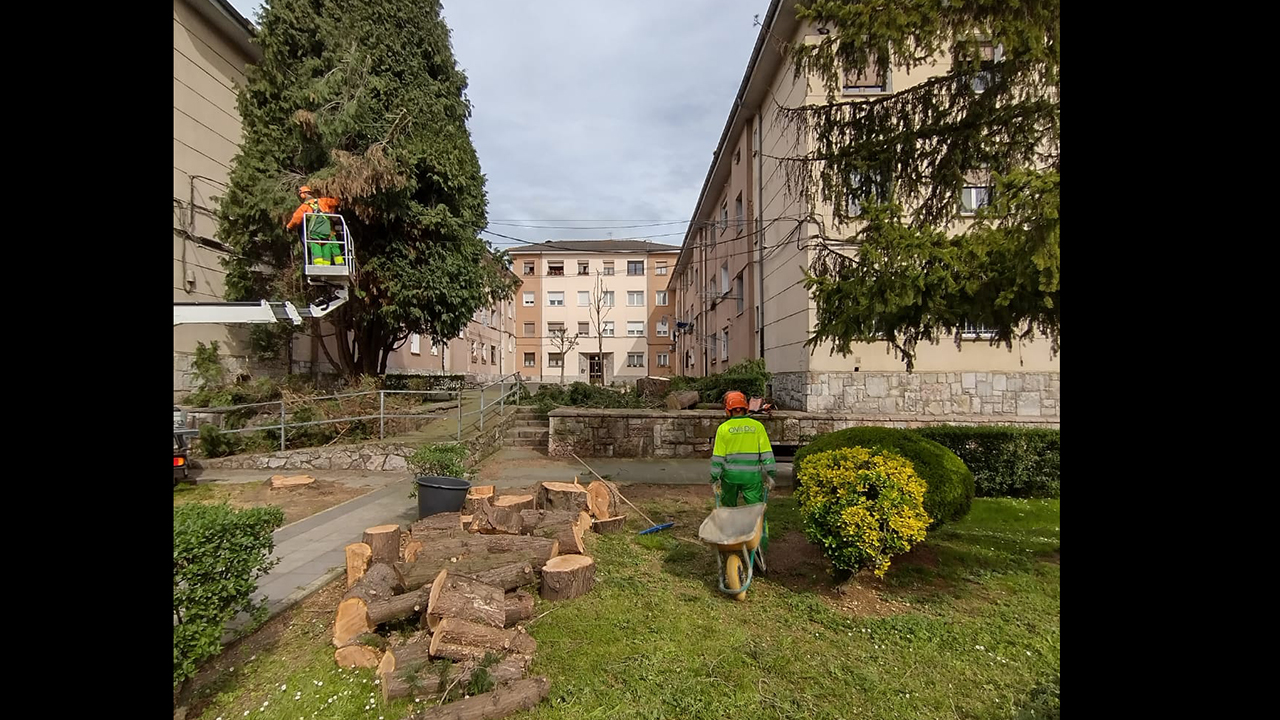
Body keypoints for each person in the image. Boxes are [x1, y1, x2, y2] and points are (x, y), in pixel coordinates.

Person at [709, 390, 777, 552]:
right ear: (745, 408)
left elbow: (718, 458)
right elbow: (767, 454)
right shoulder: (757, 427)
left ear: (728, 410)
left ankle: (731, 542)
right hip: (752, 478)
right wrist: (771, 474)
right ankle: (758, 547)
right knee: (755, 512)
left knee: (728, 510)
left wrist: (714, 478)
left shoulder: (724, 429)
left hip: (729, 478)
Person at [286, 186, 344, 267]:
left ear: (303, 195)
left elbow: (296, 219)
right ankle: (327, 266)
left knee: (316, 248)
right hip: (327, 232)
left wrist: (289, 227)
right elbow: (335, 201)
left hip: (315, 232)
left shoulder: (305, 206)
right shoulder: (323, 201)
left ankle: (319, 266)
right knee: (326, 248)